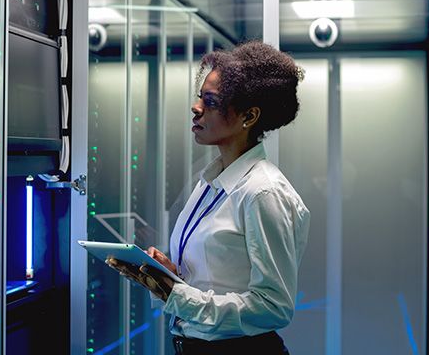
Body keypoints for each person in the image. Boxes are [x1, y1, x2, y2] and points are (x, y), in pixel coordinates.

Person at [107, 40, 310, 354]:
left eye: (211, 101)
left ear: (249, 117)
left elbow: (274, 307)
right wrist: (168, 277)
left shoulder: (263, 192)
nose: (196, 107)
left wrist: (177, 294)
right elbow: (218, 280)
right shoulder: (211, 182)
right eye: (199, 97)